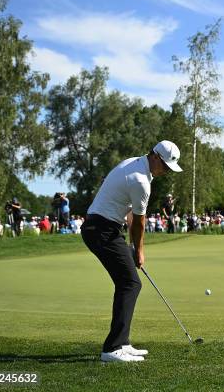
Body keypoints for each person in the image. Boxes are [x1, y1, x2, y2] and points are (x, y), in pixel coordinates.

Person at [81, 140, 182, 363]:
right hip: (100, 230)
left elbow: (127, 210)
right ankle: (112, 348)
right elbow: (139, 222)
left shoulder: (134, 164)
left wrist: (129, 246)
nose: (166, 171)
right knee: (130, 283)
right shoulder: (141, 180)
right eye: (165, 166)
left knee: (129, 283)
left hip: (104, 228)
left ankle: (123, 343)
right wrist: (139, 251)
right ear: (155, 157)